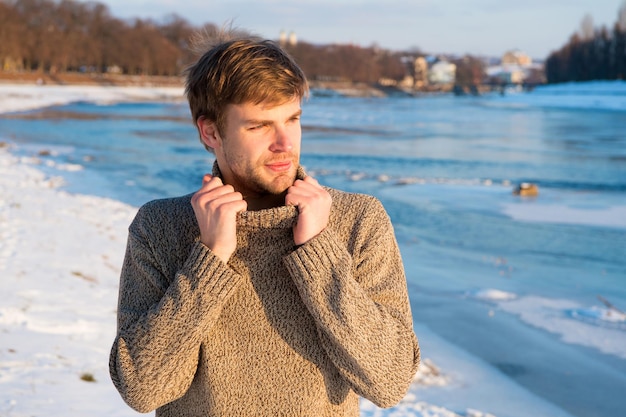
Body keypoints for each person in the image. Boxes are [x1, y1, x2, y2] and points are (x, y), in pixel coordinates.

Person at [109, 32, 420, 417]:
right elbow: (143, 389)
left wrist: (319, 252)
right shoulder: (161, 226)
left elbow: (389, 382)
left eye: (292, 119)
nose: (284, 143)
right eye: (259, 126)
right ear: (210, 132)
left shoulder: (357, 219)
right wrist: (209, 259)